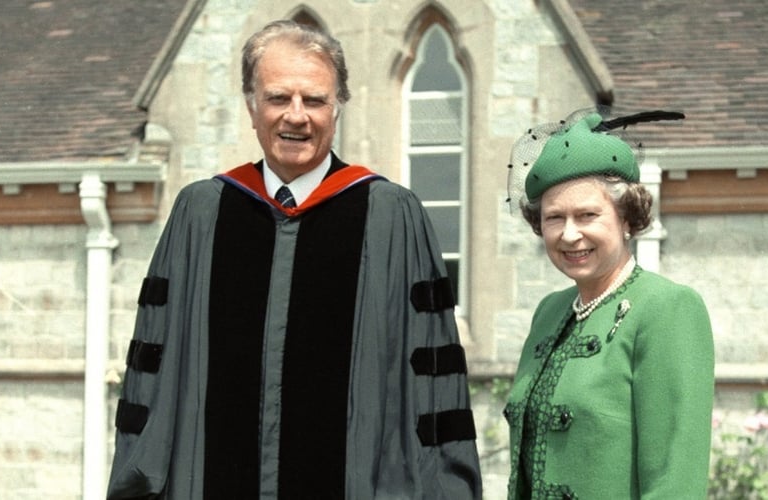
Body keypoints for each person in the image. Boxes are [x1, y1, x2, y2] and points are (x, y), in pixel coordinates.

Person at [107, 20, 482, 499]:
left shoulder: (391, 217)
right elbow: (152, 378)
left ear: (337, 109)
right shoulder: (200, 214)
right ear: (251, 107)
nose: (296, 116)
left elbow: (433, 386)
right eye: (279, 98)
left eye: (315, 100)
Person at [503, 110, 715, 499]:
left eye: (587, 215)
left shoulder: (668, 309)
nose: (569, 234)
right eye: (554, 218)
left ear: (627, 219)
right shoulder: (549, 312)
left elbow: (675, 482)